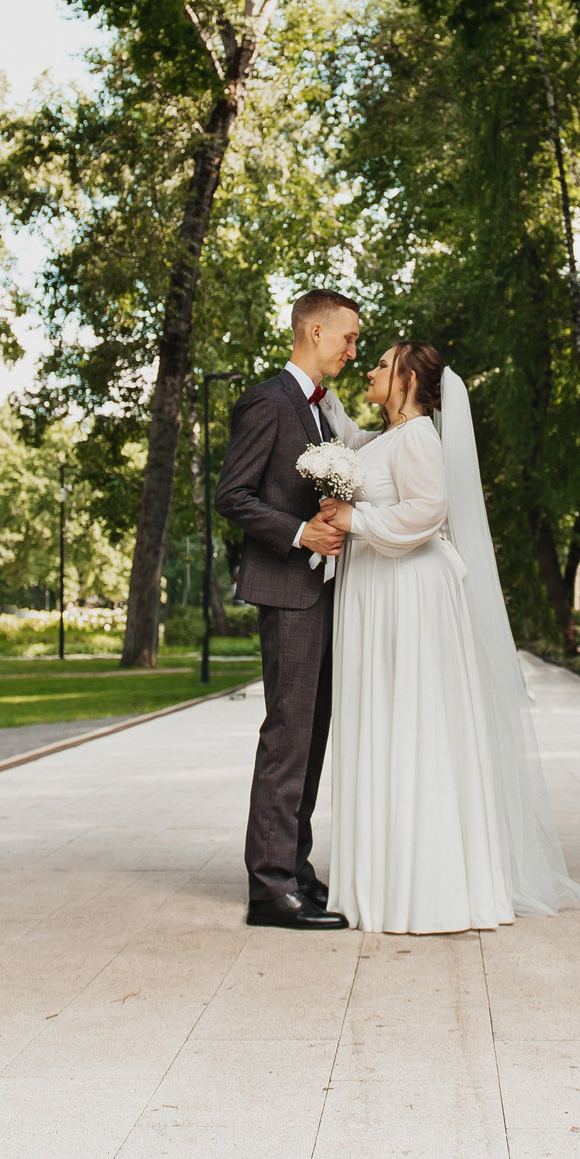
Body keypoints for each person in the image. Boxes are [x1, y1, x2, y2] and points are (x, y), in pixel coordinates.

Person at [315, 341, 580, 933]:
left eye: (382, 364)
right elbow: (357, 451)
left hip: (407, 593)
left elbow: (427, 510)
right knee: (383, 721)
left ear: (408, 378)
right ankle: (383, 880)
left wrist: (353, 519)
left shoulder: (417, 438)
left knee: (413, 723)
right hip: (377, 590)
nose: (371, 369)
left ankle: (426, 887)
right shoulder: (384, 438)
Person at [213, 289, 372, 930]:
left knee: (310, 739)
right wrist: (300, 533)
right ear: (313, 330)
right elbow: (233, 496)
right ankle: (269, 888)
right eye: (348, 338)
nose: (353, 350)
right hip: (288, 593)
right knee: (287, 738)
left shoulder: (321, 412)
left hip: (322, 594)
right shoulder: (267, 400)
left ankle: (295, 871)